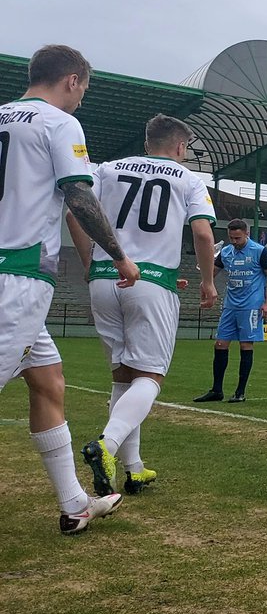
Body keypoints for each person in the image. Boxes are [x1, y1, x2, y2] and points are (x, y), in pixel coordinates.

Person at [0, 44, 140, 533]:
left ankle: (75, 503)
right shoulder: (59, 124)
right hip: (17, 275)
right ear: (73, 80)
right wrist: (119, 256)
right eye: (85, 88)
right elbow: (79, 195)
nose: (82, 99)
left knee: (48, 378)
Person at [67, 114, 218, 498]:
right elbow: (202, 231)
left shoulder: (107, 168)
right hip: (150, 284)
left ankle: (134, 469)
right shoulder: (188, 179)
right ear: (181, 146)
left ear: (148, 140)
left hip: (107, 276)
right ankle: (108, 445)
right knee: (150, 376)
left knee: (123, 375)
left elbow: (74, 212)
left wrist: (91, 265)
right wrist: (207, 280)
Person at [193, 218, 267, 403]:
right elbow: (212, 272)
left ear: (246, 234)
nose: (234, 241)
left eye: (237, 238)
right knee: (220, 345)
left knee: (245, 345)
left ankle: (240, 392)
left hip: (251, 305)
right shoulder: (226, 252)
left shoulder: (259, 251)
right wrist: (205, 278)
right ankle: (217, 390)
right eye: (231, 237)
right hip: (230, 305)